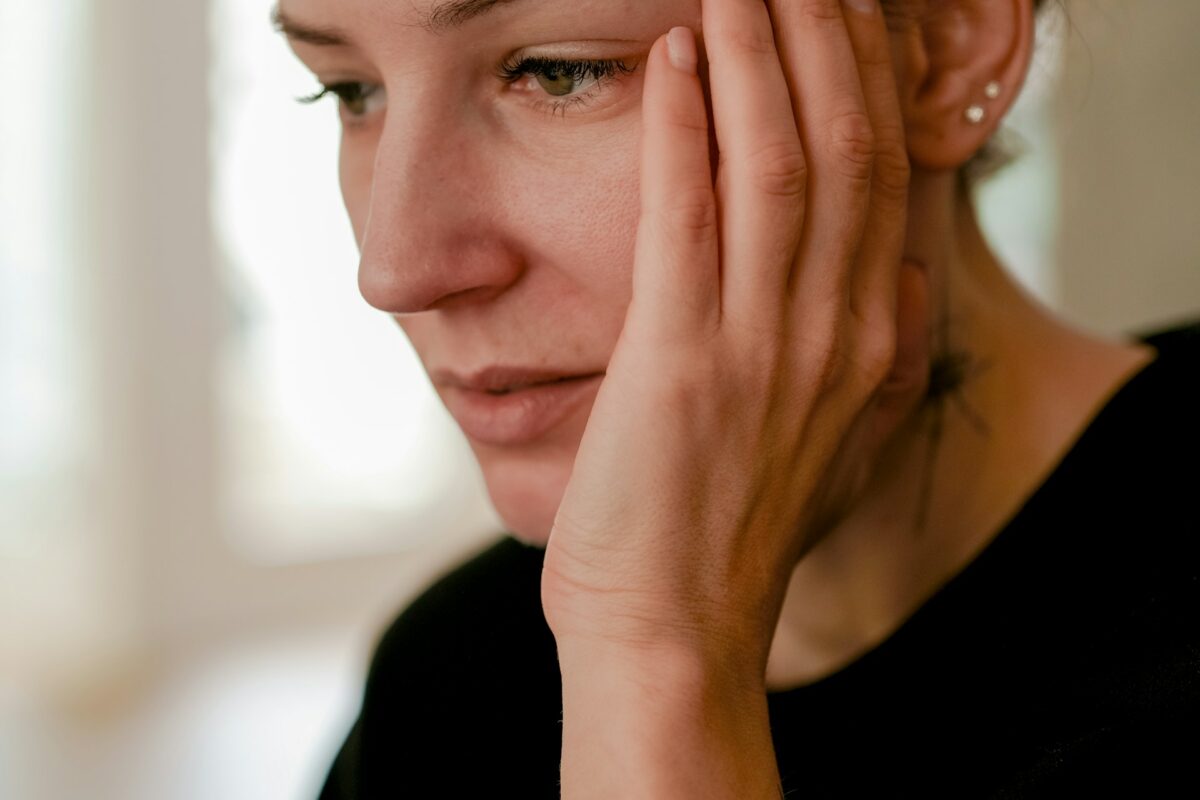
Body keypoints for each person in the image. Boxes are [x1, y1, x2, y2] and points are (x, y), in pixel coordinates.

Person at [272, 0, 1199, 796]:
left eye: (559, 72)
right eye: (351, 90)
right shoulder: (448, 682)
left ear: (944, 45)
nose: (395, 267)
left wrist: (657, 671)